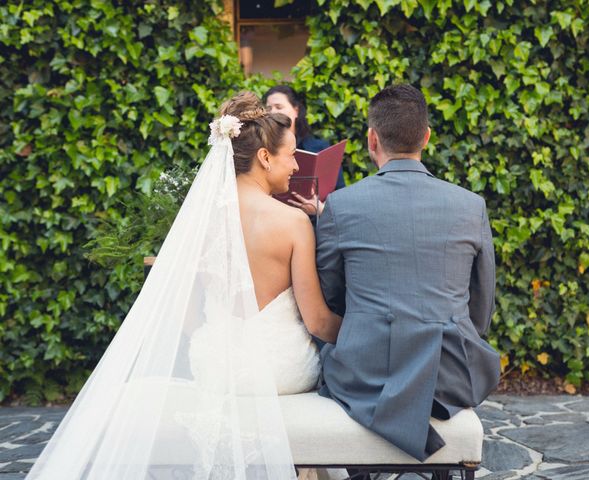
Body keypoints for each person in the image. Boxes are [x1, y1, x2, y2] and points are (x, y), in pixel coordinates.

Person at [26, 92, 343, 480]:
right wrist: (360, 333)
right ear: (264, 158)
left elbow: (189, 315)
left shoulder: (200, 222)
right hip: (280, 371)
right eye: (291, 155)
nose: (296, 165)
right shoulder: (293, 222)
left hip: (214, 365)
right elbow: (316, 321)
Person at [316, 84, 501, 461]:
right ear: (427, 137)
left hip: (367, 375)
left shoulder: (340, 205)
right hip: (450, 373)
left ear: (372, 139)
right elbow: (481, 308)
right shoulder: (470, 205)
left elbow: (332, 299)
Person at [264, 85, 346, 215]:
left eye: (279, 107)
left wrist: (320, 208)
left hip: (314, 222)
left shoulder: (320, 148)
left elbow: (340, 194)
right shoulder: (260, 148)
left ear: (296, 111)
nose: (272, 112)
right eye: (268, 108)